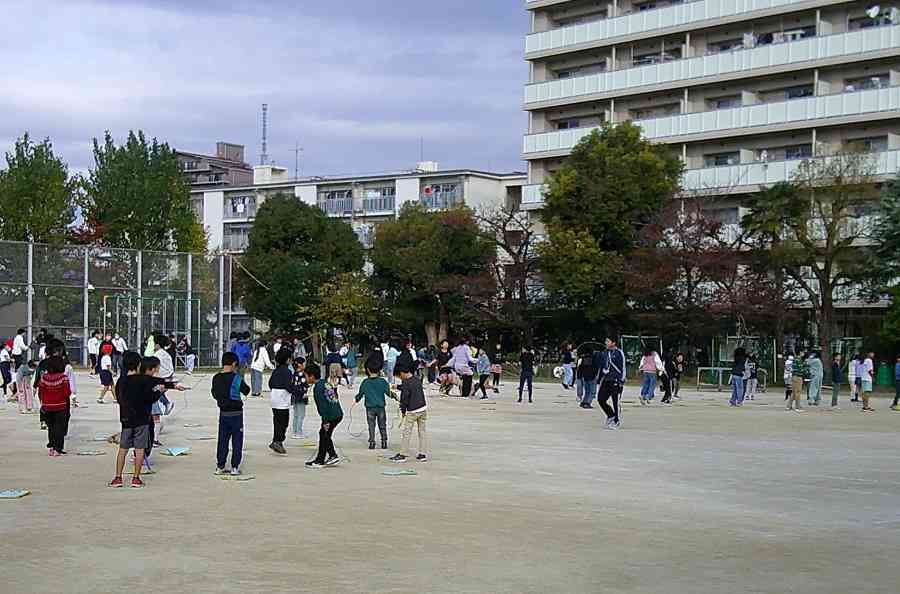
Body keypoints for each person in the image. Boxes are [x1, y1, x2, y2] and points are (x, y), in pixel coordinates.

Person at [110, 351, 184, 487]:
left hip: (126, 419)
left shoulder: (121, 381)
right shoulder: (143, 379)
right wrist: (172, 386)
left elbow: (119, 398)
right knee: (139, 449)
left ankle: (118, 478)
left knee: (123, 449)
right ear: (139, 364)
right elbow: (159, 384)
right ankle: (136, 478)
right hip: (142, 420)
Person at [305, 363, 344, 468]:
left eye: (306, 376)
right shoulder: (325, 383)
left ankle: (322, 459)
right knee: (324, 434)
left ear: (312, 376)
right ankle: (330, 456)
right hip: (337, 413)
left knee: (324, 435)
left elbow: (323, 406)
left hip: (331, 416)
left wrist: (325, 421)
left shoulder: (317, 388)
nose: (306, 378)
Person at [390, 368, 429, 463]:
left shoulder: (406, 382)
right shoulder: (416, 379)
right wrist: (397, 387)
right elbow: (408, 387)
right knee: (422, 432)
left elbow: (404, 399)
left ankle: (403, 454)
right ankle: (422, 454)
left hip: (413, 411)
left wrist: (403, 411)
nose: (400, 378)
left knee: (407, 432)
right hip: (423, 408)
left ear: (402, 373)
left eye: (399, 376)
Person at [354, 360, 394, 450]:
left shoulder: (365, 382)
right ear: (379, 370)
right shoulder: (382, 381)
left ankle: (372, 442)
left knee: (371, 425)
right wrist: (395, 397)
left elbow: (360, 394)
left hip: (370, 408)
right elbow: (389, 393)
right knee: (382, 425)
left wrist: (357, 399)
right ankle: (384, 441)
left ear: (368, 370)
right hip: (381, 407)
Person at [38, 355, 71, 456]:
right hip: (60, 406)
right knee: (59, 428)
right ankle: (58, 449)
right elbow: (67, 393)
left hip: (47, 406)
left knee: (51, 427)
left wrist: (43, 402)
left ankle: (51, 447)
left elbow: (41, 391)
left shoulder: (44, 377)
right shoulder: (63, 378)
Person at [595, 337, 626, 429]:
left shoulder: (619, 353)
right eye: (606, 341)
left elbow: (623, 367)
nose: (606, 343)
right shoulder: (605, 353)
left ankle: (616, 420)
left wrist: (621, 380)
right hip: (606, 380)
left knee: (615, 401)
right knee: (601, 399)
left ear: (613, 343)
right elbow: (602, 365)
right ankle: (611, 415)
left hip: (616, 380)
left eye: (608, 341)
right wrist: (600, 377)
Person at [267, 348, 293, 455]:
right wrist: (298, 391)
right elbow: (288, 386)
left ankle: (276, 440)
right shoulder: (287, 372)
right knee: (284, 422)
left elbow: (270, 383)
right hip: (282, 400)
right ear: (287, 360)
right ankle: (278, 441)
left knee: (277, 421)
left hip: (274, 399)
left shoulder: (276, 371)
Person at [152, 335, 175, 415]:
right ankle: (166, 404)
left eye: (154, 344)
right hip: (169, 377)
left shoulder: (157, 355)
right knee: (157, 392)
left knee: (153, 391)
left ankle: (165, 404)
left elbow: (154, 369)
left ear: (158, 345)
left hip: (163, 379)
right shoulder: (166, 354)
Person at [290, 357, 309, 439]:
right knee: (301, 415)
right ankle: (299, 432)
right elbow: (304, 385)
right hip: (301, 396)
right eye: (303, 364)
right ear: (299, 365)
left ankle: (294, 431)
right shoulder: (302, 374)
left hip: (294, 396)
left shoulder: (294, 374)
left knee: (296, 415)